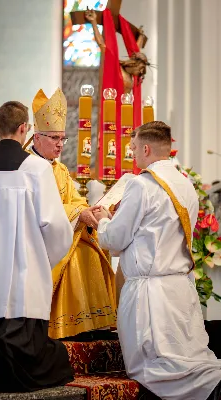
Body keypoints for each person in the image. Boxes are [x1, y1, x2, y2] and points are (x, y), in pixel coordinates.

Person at [94, 121, 221, 400]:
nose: (132, 153)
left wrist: (103, 220)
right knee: (190, 358)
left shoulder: (142, 185)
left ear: (147, 148)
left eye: (134, 147)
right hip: (179, 290)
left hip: (150, 296)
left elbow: (114, 240)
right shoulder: (185, 185)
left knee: (155, 368)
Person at [0, 101, 74, 391]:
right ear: (25, 129)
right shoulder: (36, 169)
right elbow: (56, 227)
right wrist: (42, 260)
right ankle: (0, 357)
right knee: (51, 361)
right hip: (24, 280)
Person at [24, 88, 116, 340]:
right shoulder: (27, 168)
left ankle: (91, 323)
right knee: (77, 255)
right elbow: (39, 209)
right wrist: (79, 213)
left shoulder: (60, 169)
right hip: (39, 238)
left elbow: (73, 200)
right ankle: (68, 325)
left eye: (62, 139)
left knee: (95, 249)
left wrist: (88, 210)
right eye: (54, 138)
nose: (59, 144)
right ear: (37, 136)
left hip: (66, 230)